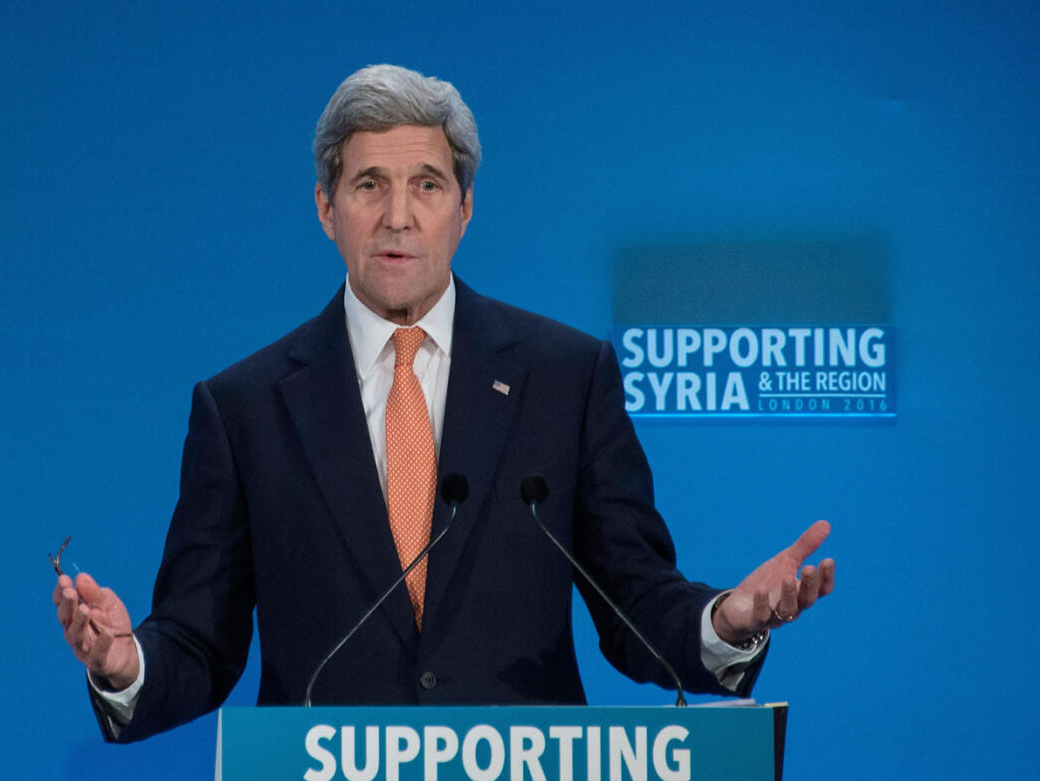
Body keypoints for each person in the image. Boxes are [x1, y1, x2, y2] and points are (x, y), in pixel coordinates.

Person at [53, 64, 834, 743]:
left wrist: (726, 621)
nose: (399, 216)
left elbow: (633, 598)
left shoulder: (565, 377)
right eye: (369, 186)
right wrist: (128, 664)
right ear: (326, 209)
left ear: (464, 207)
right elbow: (199, 641)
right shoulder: (244, 408)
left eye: (426, 185)